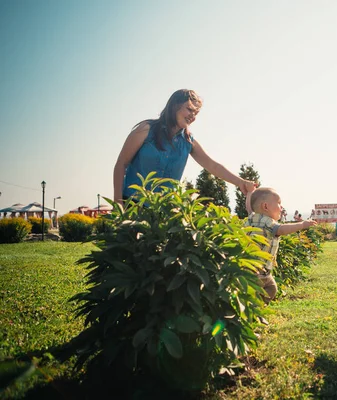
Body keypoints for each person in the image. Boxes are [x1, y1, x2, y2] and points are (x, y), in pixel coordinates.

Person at [113, 89, 255, 205]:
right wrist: (118, 203)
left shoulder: (188, 141)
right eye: (189, 109)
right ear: (174, 106)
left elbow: (213, 166)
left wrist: (241, 182)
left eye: (196, 113)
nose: (192, 116)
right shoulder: (145, 129)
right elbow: (121, 164)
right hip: (132, 204)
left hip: (164, 210)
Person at [245, 187, 317, 307]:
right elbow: (281, 229)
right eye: (279, 203)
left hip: (250, 269)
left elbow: (249, 207)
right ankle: (256, 308)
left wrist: (249, 193)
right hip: (260, 272)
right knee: (271, 289)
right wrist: (302, 224)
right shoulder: (268, 223)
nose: (281, 207)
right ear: (266, 207)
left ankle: (253, 307)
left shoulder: (252, 218)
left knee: (259, 291)